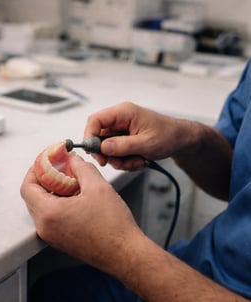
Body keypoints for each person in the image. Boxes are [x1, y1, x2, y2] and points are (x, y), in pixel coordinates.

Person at [20, 59, 251, 301]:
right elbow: (237, 175)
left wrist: (121, 249)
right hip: (205, 264)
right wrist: (189, 138)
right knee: (51, 291)